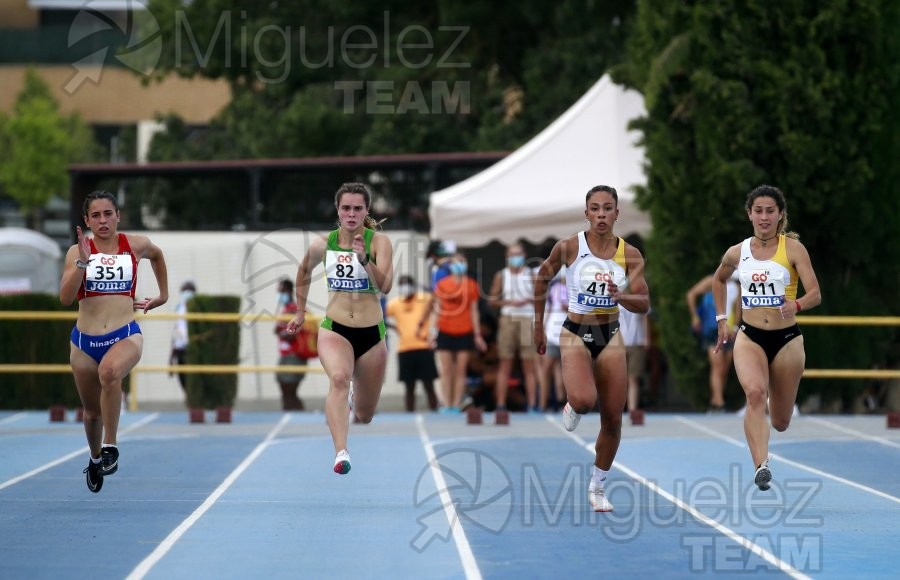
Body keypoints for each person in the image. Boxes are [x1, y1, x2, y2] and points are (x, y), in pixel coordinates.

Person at [533, 185, 650, 512]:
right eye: (595, 208)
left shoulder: (630, 255)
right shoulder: (570, 247)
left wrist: (620, 296)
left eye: (607, 208)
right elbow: (541, 279)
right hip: (574, 332)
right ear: (586, 213)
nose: (601, 214)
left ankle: (598, 486)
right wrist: (537, 325)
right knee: (585, 400)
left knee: (613, 419)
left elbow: (643, 303)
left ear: (616, 213)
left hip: (610, 334)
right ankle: (573, 404)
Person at [711, 185, 821, 491]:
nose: (763, 217)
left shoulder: (794, 250)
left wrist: (796, 304)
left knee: (781, 421)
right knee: (755, 394)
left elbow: (815, 294)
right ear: (749, 214)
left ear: (780, 215)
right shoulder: (737, 252)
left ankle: (775, 422)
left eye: (770, 211)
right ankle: (761, 464)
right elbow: (718, 280)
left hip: (787, 339)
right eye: (758, 211)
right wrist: (722, 320)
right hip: (750, 336)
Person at [59, 190, 169, 493]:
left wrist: (163, 295)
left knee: (110, 373)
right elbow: (66, 298)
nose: (103, 220)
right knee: (91, 413)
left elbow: (157, 256)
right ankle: (95, 459)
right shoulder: (76, 252)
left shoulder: (135, 245)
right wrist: (83, 263)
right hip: (83, 341)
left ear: (117, 215)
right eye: (96, 215)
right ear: (86, 220)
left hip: (124, 334)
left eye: (108, 213)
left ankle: (111, 446)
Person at [285, 182, 393, 475]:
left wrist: (364, 261)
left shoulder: (378, 243)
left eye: (358, 208)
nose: (351, 213)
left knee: (365, 413)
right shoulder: (324, 244)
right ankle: (341, 451)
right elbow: (303, 272)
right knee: (339, 379)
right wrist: (299, 311)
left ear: (366, 211)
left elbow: (385, 286)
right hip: (336, 328)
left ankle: (359, 387)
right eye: (346, 208)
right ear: (338, 210)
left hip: (372, 334)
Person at [418, 252, 486, 413]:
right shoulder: (442, 284)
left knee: (460, 370)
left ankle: (456, 404)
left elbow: (474, 311)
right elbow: (436, 309)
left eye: (463, 261)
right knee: (446, 370)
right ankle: (446, 403)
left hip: (465, 330)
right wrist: (432, 332)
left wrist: (477, 335)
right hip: (445, 330)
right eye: (457, 261)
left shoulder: (471, 285)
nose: (460, 264)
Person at [489, 243, 539, 412]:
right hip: (508, 317)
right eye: (512, 254)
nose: (515, 257)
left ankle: (532, 404)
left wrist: (530, 299)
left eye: (518, 254)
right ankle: (501, 404)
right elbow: (492, 301)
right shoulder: (501, 275)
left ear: (524, 255)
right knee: (505, 362)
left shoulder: (531, 274)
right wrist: (510, 302)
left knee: (529, 364)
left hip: (527, 318)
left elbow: (541, 298)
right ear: (507, 256)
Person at [686, 273, 741, 412]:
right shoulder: (712, 280)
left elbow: (738, 308)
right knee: (717, 366)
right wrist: (695, 317)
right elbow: (691, 294)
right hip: (713, 329)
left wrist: (735, 327)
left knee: (724, 368)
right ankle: (719, 402)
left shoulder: (736, 287)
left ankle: (715, 400)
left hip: (729, 331)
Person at [385, 275, 439, 412]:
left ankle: (435, 410)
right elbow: (380, 316)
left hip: (424, 347)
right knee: (409, 386)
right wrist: (394, 327)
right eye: (402, 285)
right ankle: (409, 413)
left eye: (407, 284)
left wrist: (427, 288)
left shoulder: (423, 298)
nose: (405, 288)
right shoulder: (395, 304)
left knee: (429, 384)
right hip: (404, 348)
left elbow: (437, 299)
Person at [275, 278, 311, 411]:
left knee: (289, 391)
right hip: (286, 354)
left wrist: (281, 332)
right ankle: (290, 412)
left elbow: (290, 334)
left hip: (294, 355)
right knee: (286, 390)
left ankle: (295, 415)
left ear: (289, 291)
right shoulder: (285, 309)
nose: (278, 294)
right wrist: (281, 332)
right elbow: (277, 330)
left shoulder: (294, 309)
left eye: (281, 291)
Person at [539, 271, 568, 412]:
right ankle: (543, 404)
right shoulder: (554, 288)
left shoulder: (575, 289)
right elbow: (549, 309)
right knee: (548, 369)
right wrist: (543, 328)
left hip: (567, 333)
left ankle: (562, 402)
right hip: (552, 333)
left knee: (562, 371)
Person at [619, 307, 649, 413]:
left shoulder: (639, 293)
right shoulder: (611, 295)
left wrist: (646, 338)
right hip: (618, 343)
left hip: (636, 342)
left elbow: (644, 317)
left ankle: (632, 410)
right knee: (618, 379)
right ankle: (617, 409)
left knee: (633, 378)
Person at [169, 280, 196, 392]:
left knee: (193, 380)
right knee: (183, 381)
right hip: (180, 348)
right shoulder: (179, 308)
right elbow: (176, 332)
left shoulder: (196, 308)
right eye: (184, 291)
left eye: (189, 291)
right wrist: (171, 359)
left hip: (193, 348)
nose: (186, 294)